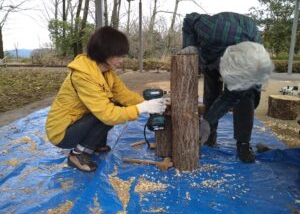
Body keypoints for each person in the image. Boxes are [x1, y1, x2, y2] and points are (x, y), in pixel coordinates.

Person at [46, 26, 166, 172]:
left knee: (115, 105)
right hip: (62, 132)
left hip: (79, 121)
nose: (122, 60)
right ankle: (77, 155)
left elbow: (124, 95)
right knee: (108, 112)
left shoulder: (106, 72)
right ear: (104, 53)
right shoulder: (83, 75)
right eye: (119, 55)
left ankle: (93, 144)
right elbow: (108, 115)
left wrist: (147, 103)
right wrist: (143, 108)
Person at [181, 12, 274, 163]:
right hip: (211, 52)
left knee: (245, 96)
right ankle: (210, 132)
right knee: (211, 93)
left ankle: (243, 143)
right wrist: (189, 45)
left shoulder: (256, 60)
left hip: (239, 58)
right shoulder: (211, 30)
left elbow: (234, 95)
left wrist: (245, 94)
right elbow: (190, 19)